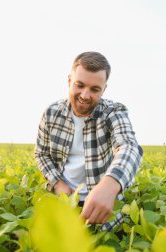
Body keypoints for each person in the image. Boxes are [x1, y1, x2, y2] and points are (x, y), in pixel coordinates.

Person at [35, 51, 143, 231]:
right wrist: (58, 183)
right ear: (69, 81)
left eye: (95, 89)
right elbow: (42, 153)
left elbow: (129, 146)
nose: (85, 95)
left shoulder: (113, 112)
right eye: (80, 85)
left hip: (103, 207)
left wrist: (109, 185)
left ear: (104, 89)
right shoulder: (51, 113)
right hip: (63, 201)